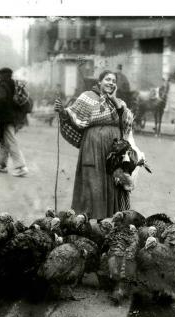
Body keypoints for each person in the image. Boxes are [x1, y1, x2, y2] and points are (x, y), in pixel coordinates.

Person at [54, 70, 143, 219]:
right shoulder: (87, 97)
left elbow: (126, 122)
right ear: (100, 82)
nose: (111, 83)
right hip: (93, 148)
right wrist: (62, 111)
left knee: (113, 183)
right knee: (93, 184)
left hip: (114, 150)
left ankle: (111, 219)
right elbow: (73, 116)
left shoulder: (119, 102)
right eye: (107, 79)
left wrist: (113, 100)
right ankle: (88, 220)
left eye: (114, 81)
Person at [0, 67, 29, 177]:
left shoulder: (3, 85)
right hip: (11, 117)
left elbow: (1, 99)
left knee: (10, 141)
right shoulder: (13, 84)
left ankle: (20, 167)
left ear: (3, 76)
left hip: (6, 118)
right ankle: (2, 165)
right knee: (3, 140)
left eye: (0, 76)